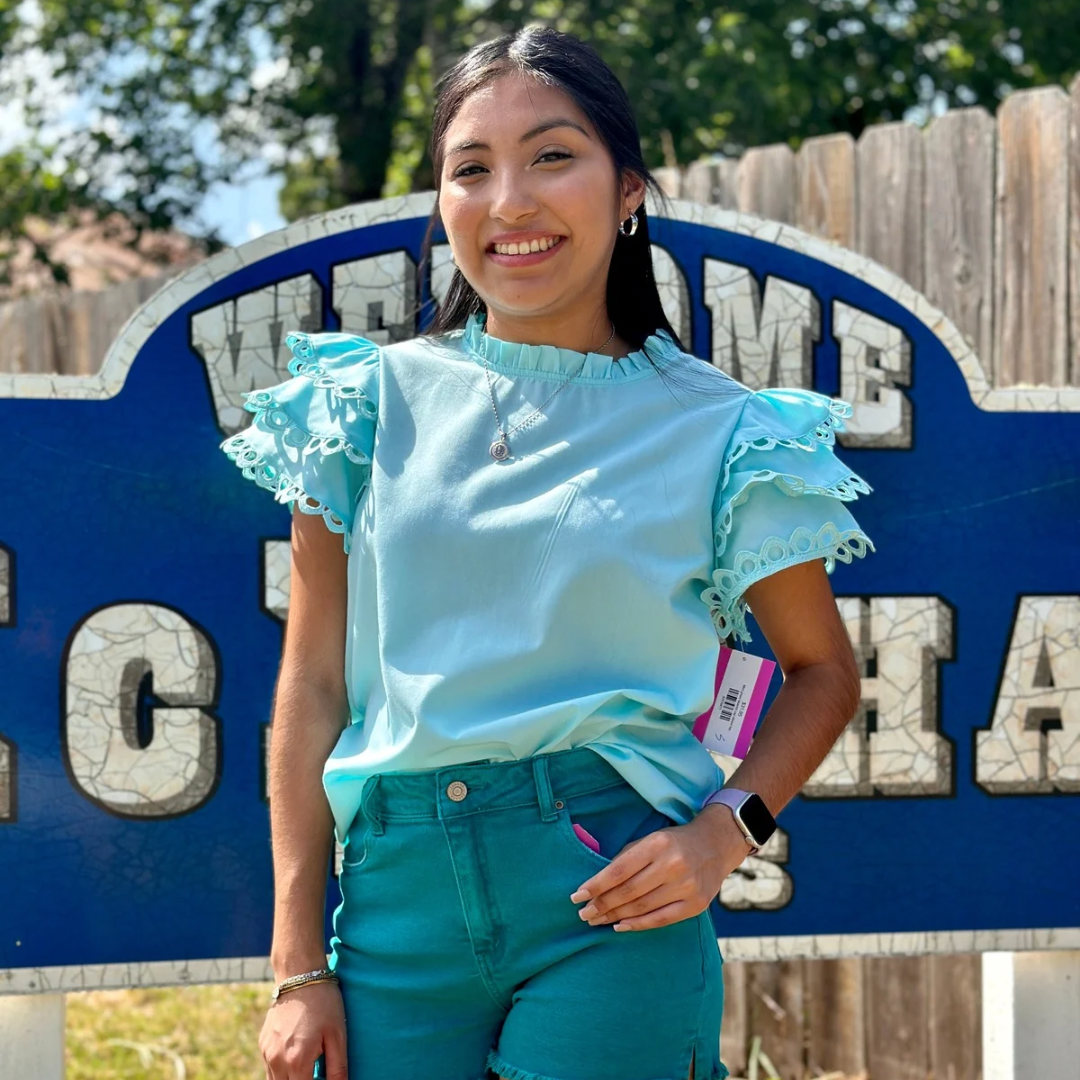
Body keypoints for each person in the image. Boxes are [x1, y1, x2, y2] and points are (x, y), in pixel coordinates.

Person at [219, 26, 874, 1080]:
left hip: (611, 896)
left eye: (552, 155)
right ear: (442, 204)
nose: (509, 200)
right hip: (393, 908)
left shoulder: (726, 430)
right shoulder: (359, 408)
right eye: (471, 169)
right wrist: (301, 964)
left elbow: (822, 672)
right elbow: (313, 684)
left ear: (628, 190)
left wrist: (723, 834)